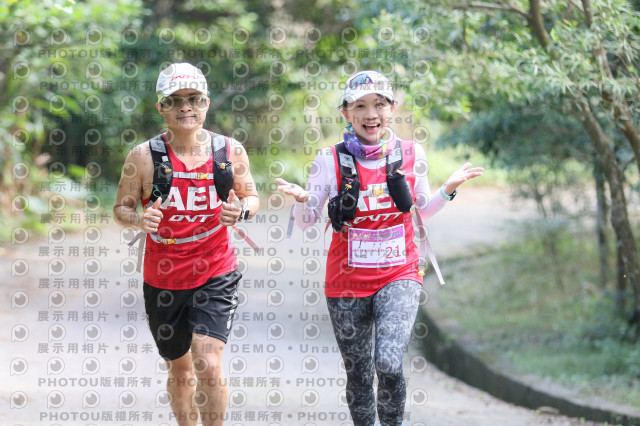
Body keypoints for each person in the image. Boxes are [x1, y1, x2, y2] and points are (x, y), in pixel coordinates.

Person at [276, 70, 483, 426]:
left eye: (379, 105)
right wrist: (301, 201)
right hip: (345, 281)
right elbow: (308, 220)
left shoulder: (411, 153)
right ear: (346, 113)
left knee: (387, 362)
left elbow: (422, 210)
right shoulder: (329, 159)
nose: (370, 114)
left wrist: (447, 190)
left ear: (392, 109)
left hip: (399, 273)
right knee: (358, 374)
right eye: (360, 106)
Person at [113, 62, 259, 426]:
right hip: (163, 278)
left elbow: (252, 197)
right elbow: (121, 208)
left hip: (216, 269)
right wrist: (139, 220)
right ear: (160, 107)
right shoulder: (142, 157)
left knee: (207, 362)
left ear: (206, 103)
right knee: (180, 370)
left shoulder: (229, 151)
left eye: (194, 99)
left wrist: (240, 211)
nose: (185, 107)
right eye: (174, 100)